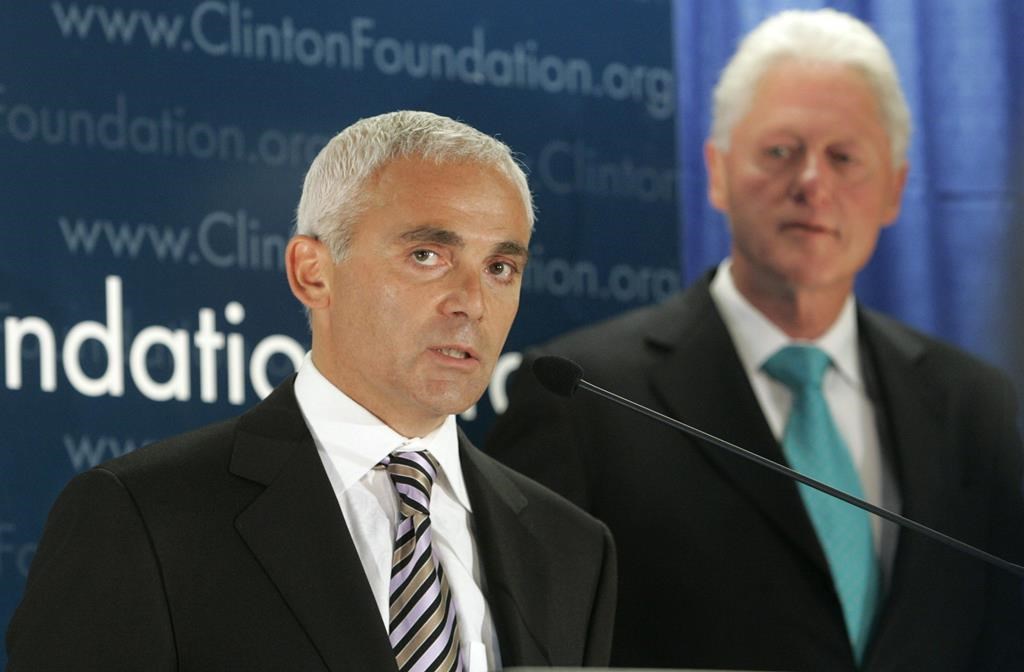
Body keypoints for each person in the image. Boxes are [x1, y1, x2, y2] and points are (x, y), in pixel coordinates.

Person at [486, 9, 1024, 672]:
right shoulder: (584, 399)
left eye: (845, 157)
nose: (811, 183)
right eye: (780, 151)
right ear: (716, 172)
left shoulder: (976, 404)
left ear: (894, 189)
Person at [6, 111, 616, 671]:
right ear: (312, 273)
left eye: (500, 268)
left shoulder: (570, 550)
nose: (473, 304)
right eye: (427, 255)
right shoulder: (144, 517)